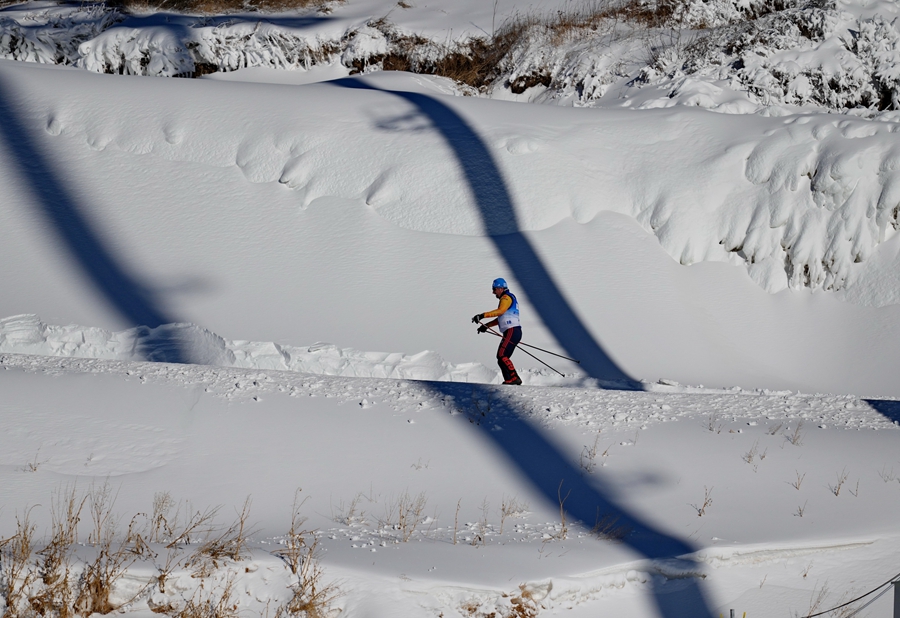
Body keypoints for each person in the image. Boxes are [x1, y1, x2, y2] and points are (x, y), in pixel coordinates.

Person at [471, 278, 522, 385]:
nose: (493, 292)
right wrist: (486, 326)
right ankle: (509, 380)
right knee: (501, 358)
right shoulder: (507, 298)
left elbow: (500, 311)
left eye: (494, 289)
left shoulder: (506, 298)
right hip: (512, 331)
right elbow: (501, 318)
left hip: (512, 330)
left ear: (500, 288)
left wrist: (482, 315)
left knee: (502, 355)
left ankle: (514, 378)